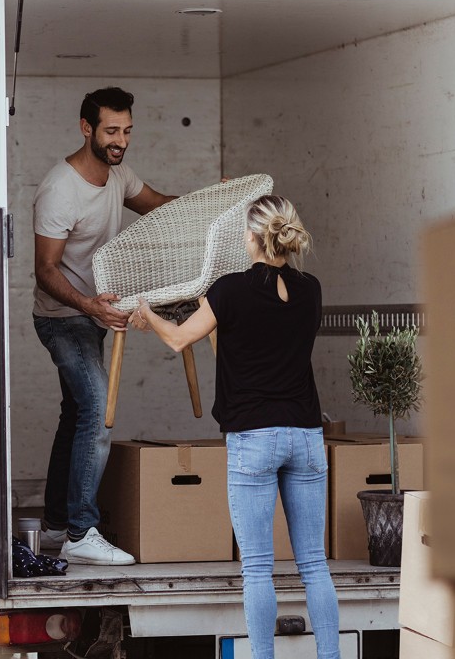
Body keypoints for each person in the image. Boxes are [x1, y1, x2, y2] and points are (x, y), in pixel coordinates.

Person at [129, 195, 340, 659]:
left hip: (255, 438)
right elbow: (260, 339)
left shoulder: (229, 291)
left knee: (259, 569)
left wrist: (148, 315)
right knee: (314, 565)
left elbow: (181, 337)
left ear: (252, 237)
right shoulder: (312, 290)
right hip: (305, 436)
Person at [32, 86, 177, 566]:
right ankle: (81, 530)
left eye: (127, 131)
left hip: (93, 313)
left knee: (74, 414)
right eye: (111, 131)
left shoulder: (119, 174)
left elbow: (158, 204)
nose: (121, 140)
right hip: (61, 318)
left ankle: (55, 526)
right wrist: (92, 308)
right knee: (97, 406)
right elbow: (46, 272)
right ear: (86, 128)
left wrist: (209, 202)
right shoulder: (60, 188)